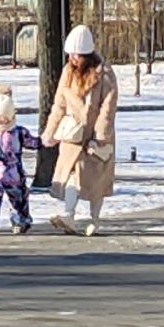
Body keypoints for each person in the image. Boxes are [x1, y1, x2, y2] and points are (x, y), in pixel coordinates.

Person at [41, 24, 119, 236]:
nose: (72, 58)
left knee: (95, 180)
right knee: (72, 174)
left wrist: (101, 135)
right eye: (70, 54)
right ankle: (69, 214)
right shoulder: (68, 73)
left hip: (96, 136)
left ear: (86, 54)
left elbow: (107, 108)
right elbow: (59, 104)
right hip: (73, 134)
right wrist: (50, 131)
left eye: (76, 54)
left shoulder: (105, 74)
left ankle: (94, 219)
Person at [0, 86, 41, 234]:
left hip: (14, 173)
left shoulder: (18, 132)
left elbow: (32, 143)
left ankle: (20, 221)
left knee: (18, 199)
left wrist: (44, 142)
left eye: (3, 118)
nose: (0, 121)